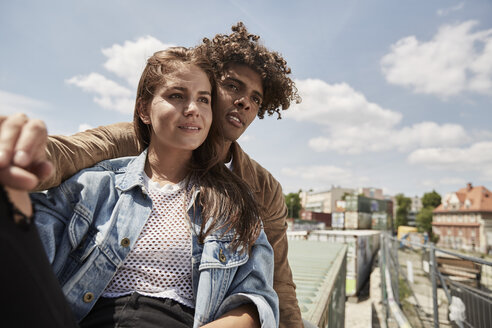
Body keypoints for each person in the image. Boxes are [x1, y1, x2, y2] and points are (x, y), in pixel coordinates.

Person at [0, 22, 303, 327]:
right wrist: (20, 153)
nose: (244, 102)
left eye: (256, 98)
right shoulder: (122, 152)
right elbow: (70, 152)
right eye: (234, 86)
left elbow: (275, 285)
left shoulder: (257, 191)